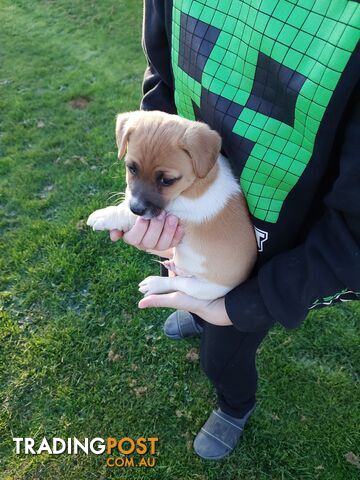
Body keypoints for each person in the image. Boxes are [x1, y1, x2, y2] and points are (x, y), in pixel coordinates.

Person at [110, 0, 360, 460]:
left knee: (222, 356)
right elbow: (164, 70)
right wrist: (155, 134)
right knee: (192, 290)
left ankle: (234, 406)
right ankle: (198, 306)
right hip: (203, 234)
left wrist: (246, 304)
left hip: (274, 252)